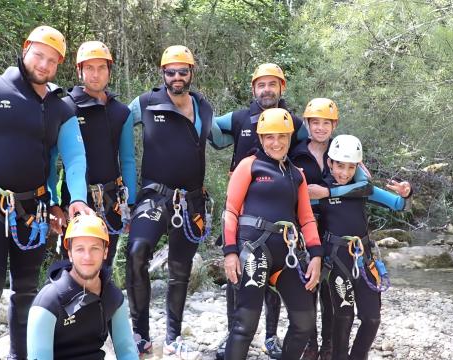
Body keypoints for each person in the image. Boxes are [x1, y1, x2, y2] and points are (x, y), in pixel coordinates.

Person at [0, 25, 92, 360]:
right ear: (25, 49)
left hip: (34, 210)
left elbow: (75, 157)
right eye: (39, 55)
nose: (44, 64)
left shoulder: (60, 107)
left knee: (26, 292)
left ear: (60, 65)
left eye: (53, 61)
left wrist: (73, 199)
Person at [126, 45, 221, 358]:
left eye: (183, 71)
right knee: (138, 252)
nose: (177, 77)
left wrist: (268, 126)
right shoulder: (146, 103)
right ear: (162, 73)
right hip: (154, 197)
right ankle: (140, 333)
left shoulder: (204, 108)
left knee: (180, 270)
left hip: (192, 202)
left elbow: (224, 136)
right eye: (171, 71)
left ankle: (172, 336)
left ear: (192, 72)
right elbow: (116, 126)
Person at [211, 62, 309, 359]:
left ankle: (270, 335)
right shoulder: (240, 118)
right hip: (244, 212)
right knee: (240, 278)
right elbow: (212, 131)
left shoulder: (295, 122)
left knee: (277, 275)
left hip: (282, 209)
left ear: (282, 87)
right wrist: (195, 109)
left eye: (272, 84)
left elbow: (311, 156)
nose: (267, 89)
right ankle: (233, 334)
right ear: (254, 89)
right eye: (261, 84)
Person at [222, 108, 323, 360]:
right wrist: (230, 253)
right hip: (255, 249)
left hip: (286, 255)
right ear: (260, 138)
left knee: (304, 321)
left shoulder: (296, 174)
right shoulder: (249, 165)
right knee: (245, 322)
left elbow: (307, 218)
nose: (276, 143)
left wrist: (316, 256)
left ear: (290, 138)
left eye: (282, 137)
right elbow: (231, 211)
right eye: (269, 137)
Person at [290, 98, 372, 360]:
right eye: (316, 122)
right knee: (308, 288)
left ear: (334, 125)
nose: (321, 128)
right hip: (304, 227)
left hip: (333, 230)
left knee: (330, 293)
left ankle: (328, 346)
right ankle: (310, 345)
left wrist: (328, 191)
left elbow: (366, 187)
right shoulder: (296, 152)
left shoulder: (342, 154)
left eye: (326, 123)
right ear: (307, 124)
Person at [318, 135, 411, 360]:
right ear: (330, 162)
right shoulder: (319, 191)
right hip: (335, 260)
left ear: (358, 166)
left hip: (363, 259)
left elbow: (398, 205)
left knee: (372, 318)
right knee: (344, 316)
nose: (344, 172)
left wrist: (406, 192)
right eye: (340, 165)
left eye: (351, 167)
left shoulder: (363, 189)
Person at [61, 40, 137, 274]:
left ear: (109, 71)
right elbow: (51, 157)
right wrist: (54, 202)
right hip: (76, 198)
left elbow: (127, 160)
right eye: (89, 68)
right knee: (73, 264)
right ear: (79, 71)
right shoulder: (66, 106)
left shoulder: (121, 112)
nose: (95, 75)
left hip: (111, 199)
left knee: (104, 262)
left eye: (101, 68)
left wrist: (130, 204)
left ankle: (101, 309)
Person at [26, 215, 139, 359]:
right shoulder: (48, 303)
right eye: (80, 249)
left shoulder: (112, 296)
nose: (87, 257)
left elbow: (126, 351)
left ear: (105, 252)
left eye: (95, 248)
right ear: (70, 253)